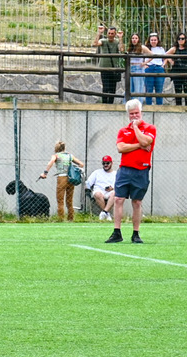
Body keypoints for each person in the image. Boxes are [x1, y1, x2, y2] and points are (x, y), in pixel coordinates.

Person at [106, 99, 155, 244]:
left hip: (141, 170)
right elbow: (121, 148)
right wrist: (139, 145)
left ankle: (136, 233)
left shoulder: (150, 128)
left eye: (136, 113)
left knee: (137, 202)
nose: (134, 116)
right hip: (125, 169)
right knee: (118, 199)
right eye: (131, 114)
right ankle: (117, 232)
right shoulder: (123, 131)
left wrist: (136, 128)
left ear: (141, 113)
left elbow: (146, 141)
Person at [39, 141, 85, 222]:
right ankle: (70, 218)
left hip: (61, 178)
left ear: (56, 148)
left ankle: (61, 218)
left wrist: (45, 173)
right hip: (70, 179)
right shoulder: (70, 156)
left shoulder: (56, 155)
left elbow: (50, 163)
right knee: (69, 200)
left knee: (60, 200)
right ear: (64, 148)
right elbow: (81, 164)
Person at [94, 25, 124, 104]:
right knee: (106, 87)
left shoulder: (117, 42)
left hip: (114, 69)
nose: (110, 35)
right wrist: (99, 33)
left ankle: (110, 104)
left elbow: (121, 49)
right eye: (109, 33)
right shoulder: (103, 41)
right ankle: (104, 104)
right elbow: (95, 43)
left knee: (112, 89)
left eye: (112, 33)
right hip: (104, 68)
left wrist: (120, 38)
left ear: (115, 34)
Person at [85, 155, 117, 220]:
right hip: (99, 191)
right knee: (97, 194)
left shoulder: (116, 173)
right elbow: (88, 183)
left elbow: (120, 185)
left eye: (107, 163)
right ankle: (106, 213)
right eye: (103, 163)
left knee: (115, 193)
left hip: (110, 192)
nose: (105, 165)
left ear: (111, 163)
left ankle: (104, 212)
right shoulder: (97, 172)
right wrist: (87, 189)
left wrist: (112, 188)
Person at [164, 32, 187, 105]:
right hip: (177, 72)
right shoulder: (174, 49)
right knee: (178, 91)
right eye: (179, 39)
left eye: (182, 38)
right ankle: (178, 107)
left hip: (185, 72)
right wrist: (171, 61)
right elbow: (165, 54)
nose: (181, 40)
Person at [144, 33, 166, 105]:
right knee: (149, 89)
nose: (153, 41)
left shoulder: (161, 49)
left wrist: (163, 65)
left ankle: (159, 106)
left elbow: (165, 58)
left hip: (159, 68)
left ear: (157, 40)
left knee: (159, 89)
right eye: (152, 40)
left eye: (155, 40)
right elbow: (141, 58)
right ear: (149, 40)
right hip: (149, 68)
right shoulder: (146, 48)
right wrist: (144, 65)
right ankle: (148, 106)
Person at [127, 33, 148, 101]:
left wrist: (145, 63)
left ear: (138, 39)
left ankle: (138, 103)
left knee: (138, 88)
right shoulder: (130, 48)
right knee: (130, 88)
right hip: (131, 68)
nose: (134, 40)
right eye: (133, 38)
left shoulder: (142, 47)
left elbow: (152, 54)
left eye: (136, 38)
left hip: (138, 68)